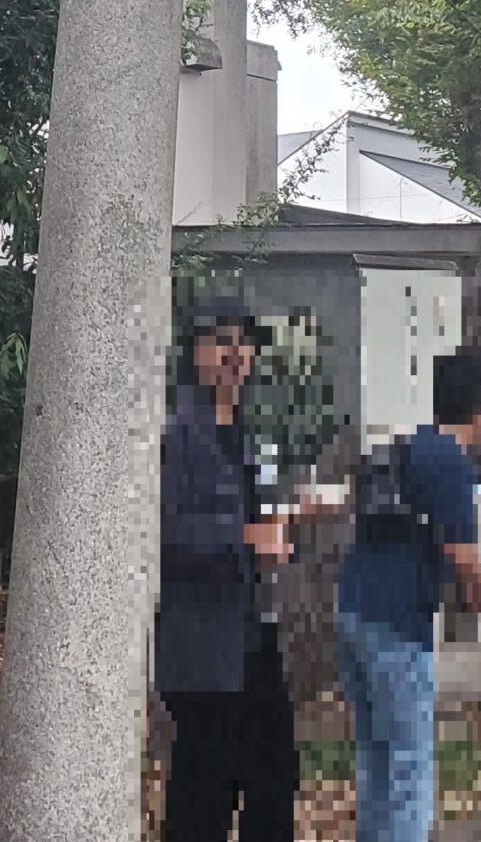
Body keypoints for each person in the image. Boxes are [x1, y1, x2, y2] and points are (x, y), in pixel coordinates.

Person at [337, 349, 481, 842]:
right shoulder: (451, 463)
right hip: (396, 624)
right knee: (410, 763)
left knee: (375, 755)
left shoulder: (410, 446)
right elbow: (460, 552)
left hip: (352, 609)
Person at [157, 301, 302, 842]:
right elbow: (165, 536)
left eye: (243, 342)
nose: (235, 353)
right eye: (221, 340)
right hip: (200, 642)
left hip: (251, 631)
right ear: (195, 353)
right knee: (205, 787)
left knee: (275, 772)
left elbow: (255, 519)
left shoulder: (243, 434)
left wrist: (286, 519)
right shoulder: (177, 436)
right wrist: (244, 537)